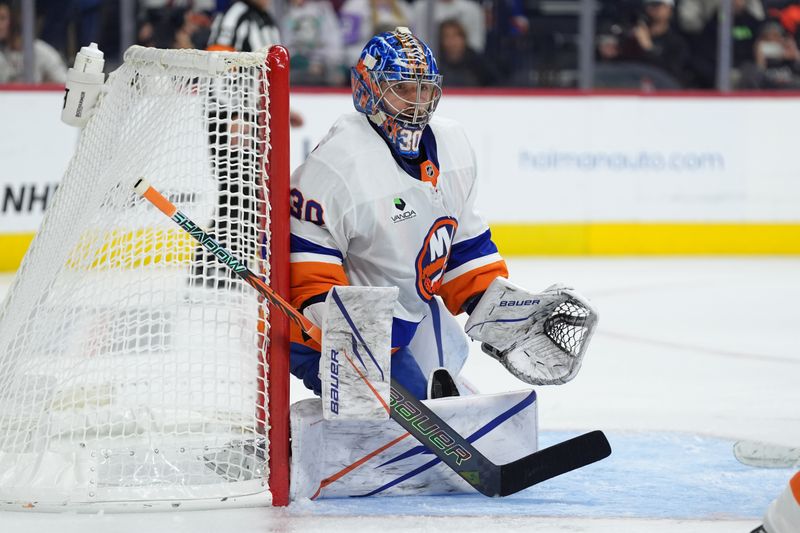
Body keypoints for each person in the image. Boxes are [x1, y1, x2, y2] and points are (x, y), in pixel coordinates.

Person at [287, 27, 596, 400]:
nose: (417, 102)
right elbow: (307, 276)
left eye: (425, 89)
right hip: (328, 335)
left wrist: (504, 316)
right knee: (410, 411)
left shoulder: (453, 145)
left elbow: (463, 246)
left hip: (405, 317)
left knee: (448, 386)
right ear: (367, 89)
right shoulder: (338, 165)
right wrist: (355, 346)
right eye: (401, 88)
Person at [619, 0, 691, 86]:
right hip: (634, 89)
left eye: (657, 5)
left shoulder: (677, 42)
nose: (652, 9)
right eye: (649, 5)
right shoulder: (634, 39)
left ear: (669, 9)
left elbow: (671, 72)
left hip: (664, 93)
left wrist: (648, 47)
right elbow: (625, 67)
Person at [0, 0, 66, 84]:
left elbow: (64, 83)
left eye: (2, 18)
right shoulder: (2, 53)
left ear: (13, 20)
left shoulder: (41, 51)